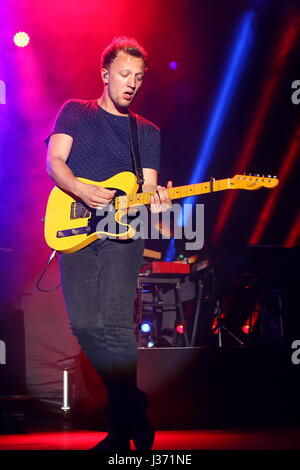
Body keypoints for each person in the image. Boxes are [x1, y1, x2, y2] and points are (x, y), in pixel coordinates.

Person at [46, 36, 172, 450]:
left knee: (116, 326)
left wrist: (160, 203)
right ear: (105, 75)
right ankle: (133, 407)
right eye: (123, 74)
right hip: (77, 227)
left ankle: (120, 432)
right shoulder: (74, 113)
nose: (131, 83)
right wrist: (82, 191)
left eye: (138, 77)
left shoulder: (147, 132)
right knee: (84, 326)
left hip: (124, 234)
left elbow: (149, 189)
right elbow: (55, 162)